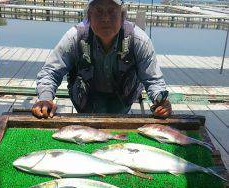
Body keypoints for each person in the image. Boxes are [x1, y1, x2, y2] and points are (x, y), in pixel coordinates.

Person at [31, 0, 172, 118]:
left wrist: (160, 101)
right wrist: (45, 98)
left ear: (123, 16)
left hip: (122, 101)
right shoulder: (74, 37)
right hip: (85, 101)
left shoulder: (139, 40)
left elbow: (153, 79)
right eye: (99, 11)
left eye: (112, 11)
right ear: (89, 15)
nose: (105, 18)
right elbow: (51, 71)